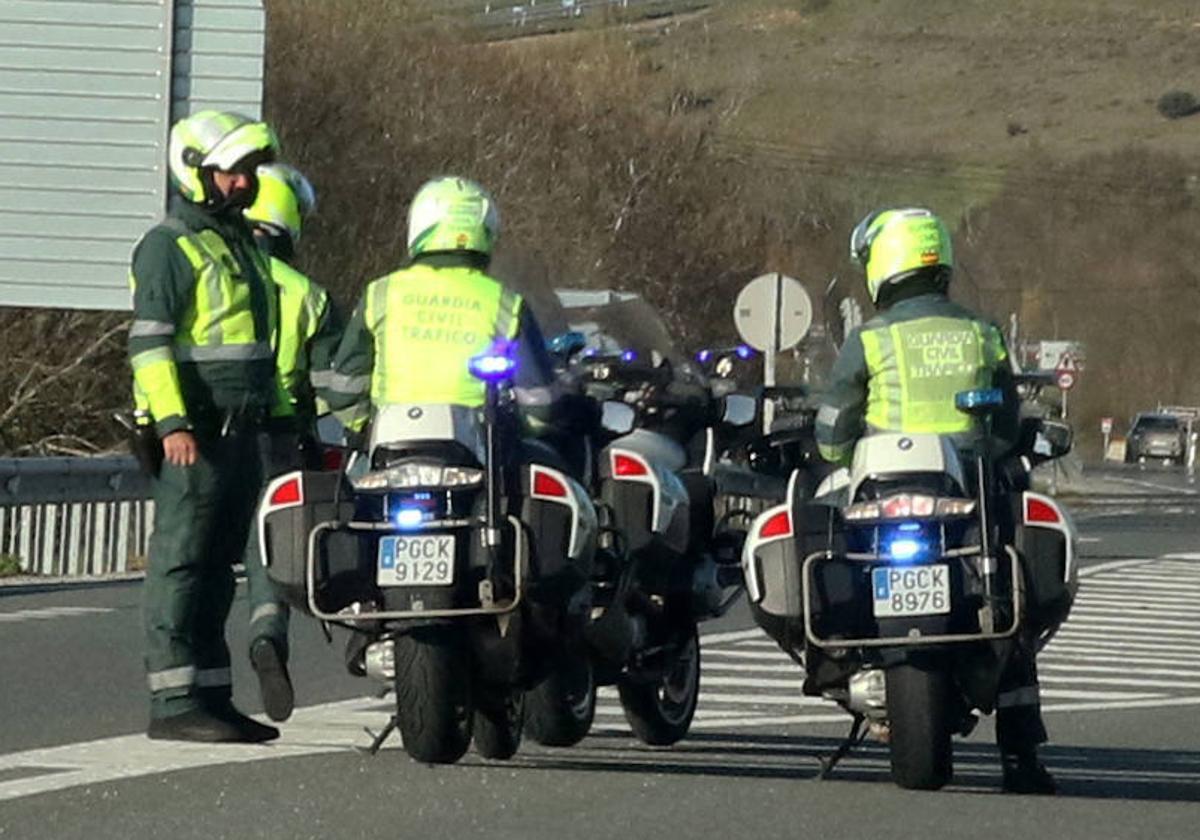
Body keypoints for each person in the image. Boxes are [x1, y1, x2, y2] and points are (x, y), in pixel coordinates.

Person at [815, 207, 1055, 795]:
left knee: (836, 555)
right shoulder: (981, 332)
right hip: (967, 492)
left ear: (881, 265)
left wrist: (835, 454)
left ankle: (840, 662)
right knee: (1012, 604)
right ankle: (1021, 753)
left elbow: (833, 428)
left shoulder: (870, 338)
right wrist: (991, 452)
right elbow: (1005, 420)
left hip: (883, 494)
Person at [128, 110, 285, 743]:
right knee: (181, 563)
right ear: (195, 171)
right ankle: (172, 703)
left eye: (248, 171)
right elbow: (149, 345)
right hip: (196, 431)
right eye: (231, 172)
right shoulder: (169, 244)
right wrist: (172, 423)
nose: (245, 183)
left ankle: (212, 696)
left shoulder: (238, 241)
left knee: (220, 565)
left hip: (242, 432)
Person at [240, 162, 344, 722]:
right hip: (279, 434)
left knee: (195, 555)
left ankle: (188, 676)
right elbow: (332, 390)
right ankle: (267, 633)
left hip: (206, 432)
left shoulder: (217, 277)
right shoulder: (310, 296)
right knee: (267, 542)